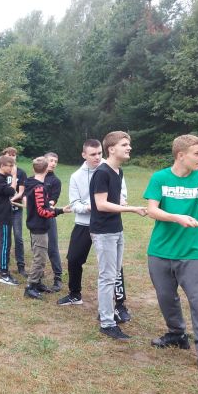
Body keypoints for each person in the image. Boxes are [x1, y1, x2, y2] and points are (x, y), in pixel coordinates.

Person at [144, 134, 198, 375]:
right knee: (166, 297)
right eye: (197, 153)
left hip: (192, 253)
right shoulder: (160, 178)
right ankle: (177, 334)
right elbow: (152, 210)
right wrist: (176, 217)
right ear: (181, 155)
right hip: (160, 251)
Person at [58, 140, 129, 314]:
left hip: (106, 225)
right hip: (84, 223)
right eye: (92, 154)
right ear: (84, 155)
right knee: (74, 258)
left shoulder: (112, 169)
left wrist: (114, 202)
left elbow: (122, 194)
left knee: (114, 266)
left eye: (99, 153)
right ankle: (75, 294)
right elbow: (74, 204)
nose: (97, 157)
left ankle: (119, 304)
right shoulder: (76, 176)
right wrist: (89, 207)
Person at [89, 131, 147, 340]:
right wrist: (131, 209)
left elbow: (111, 199)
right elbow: (101, 204)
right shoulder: (102, 172)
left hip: (116, 228)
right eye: (124, 144)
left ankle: (105, 311)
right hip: (104, 232)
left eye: (128, 144)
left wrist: (122, 203)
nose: (129, 147)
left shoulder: (117, 171)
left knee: (114, 275)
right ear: (111, 149)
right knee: (107, 277)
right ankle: (107, 323)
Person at [23, 157, 71, 299]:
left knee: (41, 256)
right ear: (46, 170)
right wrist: (61, 210)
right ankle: (30, 286)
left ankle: (37, 283)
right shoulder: (39, 188)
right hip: (39, 228)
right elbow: (42, 211)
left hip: (36, 225)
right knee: (40, 258)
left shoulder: (30, 182)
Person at [0, 154, 20, 285]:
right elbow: (11, 191)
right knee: (5, 243)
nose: (12, 168)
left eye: (13, 166)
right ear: (2, 166)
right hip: (3, 215)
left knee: (1, 241)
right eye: (10, 166)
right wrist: (14, 176)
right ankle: (4, 274)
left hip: (2, 212)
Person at [2, 147, 27, 276]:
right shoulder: (1, 172)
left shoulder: (21, 173)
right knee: (5, 238)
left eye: (13, 155)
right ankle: (2, 264)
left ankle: (21, 265)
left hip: (16, 209)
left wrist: (12, 199)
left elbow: (21, 192)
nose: (11, 157)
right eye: (9, 155)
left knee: (18, 237)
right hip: (3, 210)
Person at [43, 152, 63, 291]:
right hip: (35, 218)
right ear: (44, 161)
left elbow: (53, 200)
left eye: (55, 161)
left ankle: (58, 277)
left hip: (49, 216)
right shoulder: (36, 178)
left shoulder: (55, 181)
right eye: (51, 160)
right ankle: (38, 275)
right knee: (37, 247)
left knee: (52, 247)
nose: (53, 163)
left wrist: (43, 204)